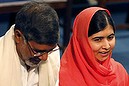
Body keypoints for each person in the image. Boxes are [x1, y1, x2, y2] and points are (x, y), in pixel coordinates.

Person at [59, 7, 129, 86]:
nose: (106, 46)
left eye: (110, 37)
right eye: (98, 39)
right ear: (82, 41)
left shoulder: (119, 72)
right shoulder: (64, 78)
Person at [0, 1, 60, 86]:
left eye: (50, 51)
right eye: (37, 51)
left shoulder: (52, 55)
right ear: (18, 36)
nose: (45, 58)